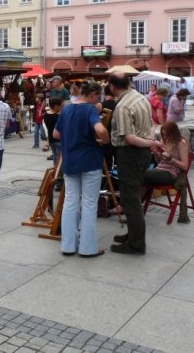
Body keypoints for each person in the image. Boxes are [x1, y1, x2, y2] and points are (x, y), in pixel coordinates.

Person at [53, 82, 109, 257]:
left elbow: (56, 134)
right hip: (90, 160)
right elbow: (99, 129)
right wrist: (105, 139)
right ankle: (87, 248)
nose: (98, 100)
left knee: (70, 203)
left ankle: (68, 246)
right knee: (89, 204)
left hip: (70, 161)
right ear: (92, 94)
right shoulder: (90, 110)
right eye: (97, 96)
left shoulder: (67, 108)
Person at [109, 71, 160, 255]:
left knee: (130, 200)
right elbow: (152, 125)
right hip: (141, 154)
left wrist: (151, 143)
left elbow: (129, 138)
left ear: (112, 87)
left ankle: (136, 244)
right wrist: (151, 142)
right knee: (132, 196)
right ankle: (132, 234)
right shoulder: (140, 97)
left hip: (130, 153)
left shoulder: (122, 106)